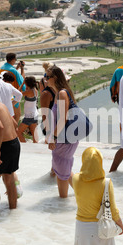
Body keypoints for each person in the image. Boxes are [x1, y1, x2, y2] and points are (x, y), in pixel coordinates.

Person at [67, 147, 123, 245]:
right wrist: (121, 225)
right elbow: (113, 209)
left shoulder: (76, 179)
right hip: (100, 228)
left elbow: (64, 170)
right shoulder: (106, 183)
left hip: (81, 228)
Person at [45, 65, 79, 198]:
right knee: (64, 170)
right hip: (65, 137)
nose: (45, 79)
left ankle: (62, 203)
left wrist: (53, 137)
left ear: (56, 78)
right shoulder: (60, 93)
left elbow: (63, 118)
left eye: (48, 77)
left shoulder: (62, 93)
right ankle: (84, 194)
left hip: (64, 138)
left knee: (61, 171)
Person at [0, 53, 26, 123]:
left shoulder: (2, 67)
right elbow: (22, 82)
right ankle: (13, 131)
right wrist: (22, 68)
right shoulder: (14, 71)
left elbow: (9, 75)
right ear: (13, 60)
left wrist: (16, 68)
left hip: (3, 94)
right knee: (17, 115)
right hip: (13, 95)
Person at [17, 76, 39, 143]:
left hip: (29, 116)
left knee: (18, 132)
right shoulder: (34, 90)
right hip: (34, 114)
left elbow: (18, 93)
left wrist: (22, 84)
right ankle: (36, 148)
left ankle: (25, 145)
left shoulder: (29, 91)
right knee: (34, 135)